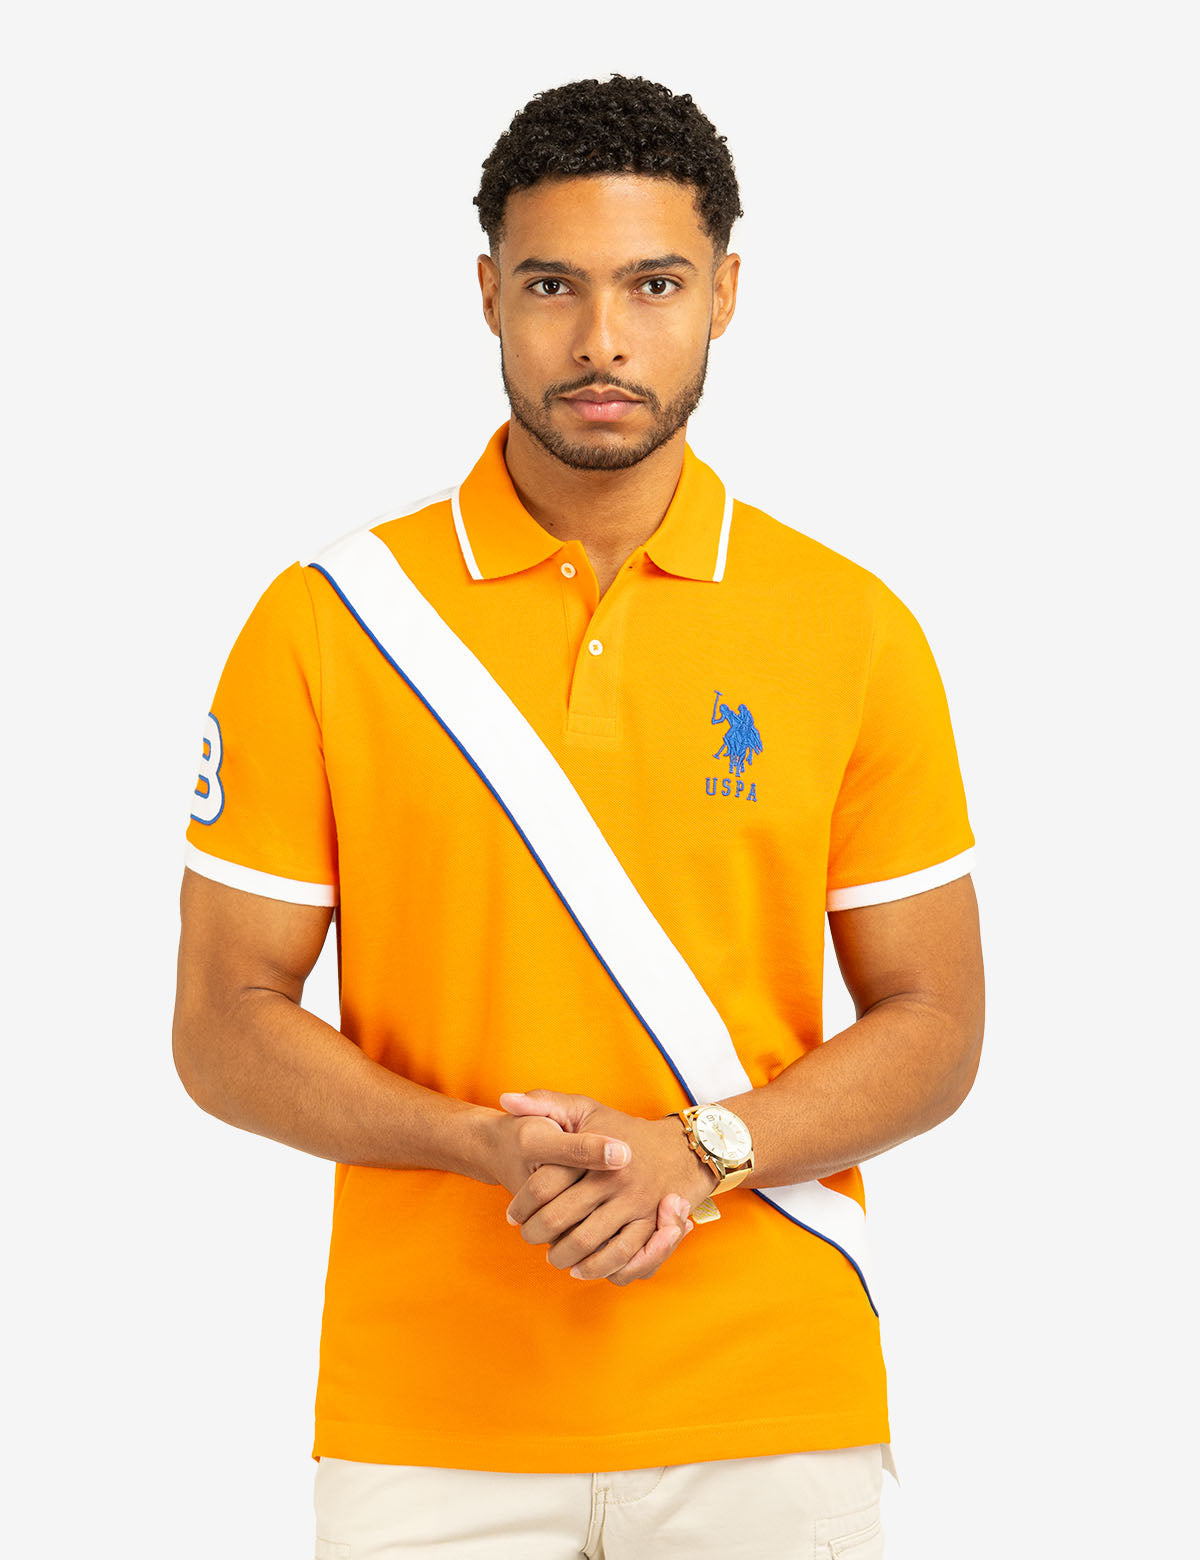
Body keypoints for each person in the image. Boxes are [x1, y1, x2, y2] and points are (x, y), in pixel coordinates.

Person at [172, 73, 984, 1560]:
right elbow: (222, 1024)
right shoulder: (326, 625)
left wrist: (706, 1149)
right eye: (553, 285)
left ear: (724, 295)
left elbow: (937, 1022)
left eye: (653, 285)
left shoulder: (852, 628)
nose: (602, 338)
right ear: (489, 293)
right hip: (429, 1424)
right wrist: (473, 1144)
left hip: (770, 1410)